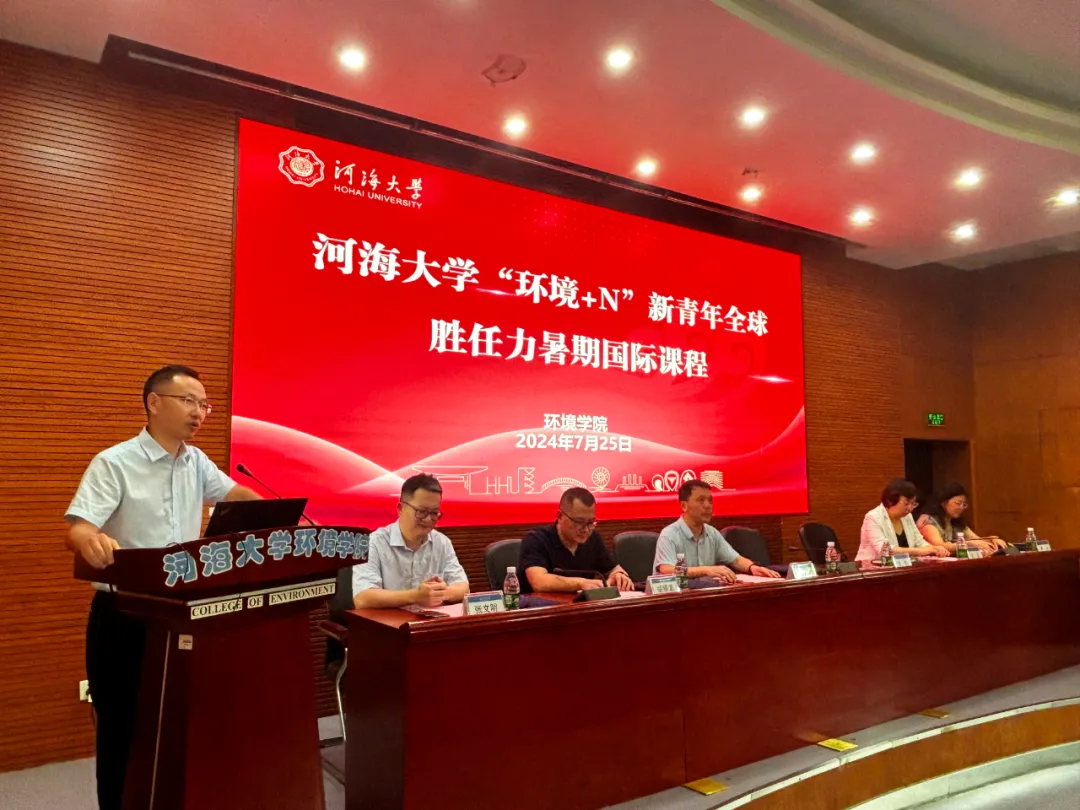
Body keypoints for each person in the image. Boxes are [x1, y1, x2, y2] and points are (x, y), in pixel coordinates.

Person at [64, 365, 261, 810]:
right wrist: (88, 539)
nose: (199, 413)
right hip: (126, 614)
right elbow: (78, 527)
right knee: (122, 727)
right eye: (188, 401)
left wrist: (277, 510)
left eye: (204, 405)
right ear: (154, 403)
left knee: (176, 724)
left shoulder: (196, 461)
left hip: (182, 614)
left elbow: (232, 495)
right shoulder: (115, 463)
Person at [352, 474, 469, 609]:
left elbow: (463, 588)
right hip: (389, 621)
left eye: (434, 513)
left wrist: (438, 593)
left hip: (431, 620)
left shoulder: (442, 543)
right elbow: (362, 598)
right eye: (421, 511)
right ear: (401, 509)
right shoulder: (371, 543)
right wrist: (415, 596)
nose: (427, 519)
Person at [653, 479, 783, 583]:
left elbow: (735, 560)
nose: (707, 505)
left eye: (710, 500)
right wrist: (706, 570)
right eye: (701, 500)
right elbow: (666, 569)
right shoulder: (669, 534)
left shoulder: (712, 533)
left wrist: (752, 568)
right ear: (683, 505)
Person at [518, 487, 634, 594]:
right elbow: (539, 582)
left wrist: (618, 575)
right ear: (560, 516)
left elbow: (613, 568)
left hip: (582, 606)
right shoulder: (536, 540)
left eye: (591, 522)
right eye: (579, 522)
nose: (586, 529)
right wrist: (581, 583)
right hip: (541, 607)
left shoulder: (593, 538)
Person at [856, 478, 950, 561]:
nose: (910, 508)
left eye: (913, 504)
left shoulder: (907, 516)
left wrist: (934, 548)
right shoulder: (873, 517)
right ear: (890, 501)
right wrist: (919, 551)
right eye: (906, 503)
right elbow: (884, 550)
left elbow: (919, 542)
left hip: (901, 566)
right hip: (872, 568)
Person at [917, 482, 1005, 554]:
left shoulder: (957, 522)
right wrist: (968, 544)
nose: (961, 507)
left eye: (964, 504)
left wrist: (992, 540)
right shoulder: (928, 520)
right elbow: (939, 545)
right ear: (943, 502)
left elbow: (975, 539)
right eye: (958, 503)